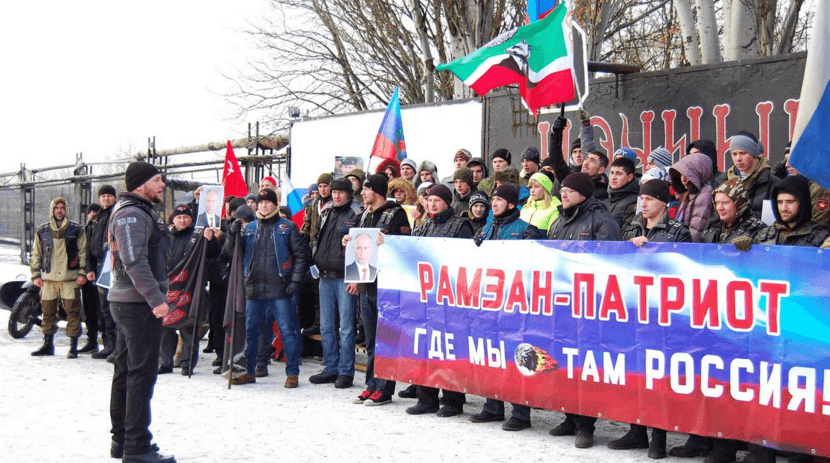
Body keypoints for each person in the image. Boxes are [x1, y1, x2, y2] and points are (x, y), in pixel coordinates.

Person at [734, 174, 829, 463]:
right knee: (763, 393)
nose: (785, 207)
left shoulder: (819, 237)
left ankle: (800, 453)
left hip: (803, 331)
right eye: (780, 202)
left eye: (791, 201)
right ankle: (759, 452)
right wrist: (740, 251)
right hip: (766, 328)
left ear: (803, 204)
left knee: (799, 397)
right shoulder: (764, 235)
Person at [613, 179, 689, 458]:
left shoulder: (677, 232)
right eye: (641, 199)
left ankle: (659, 436)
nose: (642, 204)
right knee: (634, 369)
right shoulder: (631, 228)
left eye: (649, 199)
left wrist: (652, 251)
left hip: (663, 314)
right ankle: (636, 431)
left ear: (663, 203)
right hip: (633, 310)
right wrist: (630, 249)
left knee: (659, 377)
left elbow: (683, 269)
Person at [545, 172, 621, 449]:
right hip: (562, 303)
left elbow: (612, 263)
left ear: (583, 193)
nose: (562, 194)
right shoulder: (557, 221)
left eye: (568, 190)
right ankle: (569, 416)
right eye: (561, 189)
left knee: (585, 365)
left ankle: (586, 425)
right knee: (563, 360)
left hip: (591, 305)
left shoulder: (602, 220)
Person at [107, 161, 176, 463]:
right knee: (141, 374)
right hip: (138, 305)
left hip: (130, 303)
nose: (163, 185)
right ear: (140, 184)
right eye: (158, 180)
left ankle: (122, 441)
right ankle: (137, 447)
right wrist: (156, 299)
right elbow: (134, 261)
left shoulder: (135, 211)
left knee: (126, 371)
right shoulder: (131, 214)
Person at [469, 184, 538, 431]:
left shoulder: (525, 230)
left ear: (511, 204)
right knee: (492, 354)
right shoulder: (487, 227)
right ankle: (493, 406)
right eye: (493, 199)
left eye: (499, 199)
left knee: (516, 354)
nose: (494, 203)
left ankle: (520, 412)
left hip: (515, 304)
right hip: (489, 302)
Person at [226, 188, 310, 386]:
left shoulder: (287, 227)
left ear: (275, 204)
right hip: (254, 287)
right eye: (261, 202)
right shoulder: (249, 228)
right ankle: (250, 370)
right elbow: (232, 253)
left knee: (288, 330)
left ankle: (292, 373)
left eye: (268, 202)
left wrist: (295, 281)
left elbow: (301, 256)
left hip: (280, 288)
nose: (264, 205)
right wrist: (232, 235)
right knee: (251, 331)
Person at [407, 184, 472, 417]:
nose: (432, 204)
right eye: (429, 200)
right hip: (427, 296)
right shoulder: (424, 225)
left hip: (450, 296)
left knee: (449, 349)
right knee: (426, 346)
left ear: (447, 202)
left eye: (437, 200)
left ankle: (453, 401)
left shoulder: (460, 225)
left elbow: (467, 262)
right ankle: (426, 398)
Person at [349, 174, 411, 406]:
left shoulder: (396, 213)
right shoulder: (365, 213)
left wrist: (390, 242)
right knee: (371, 338)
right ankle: (371, 384)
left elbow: (405, 246)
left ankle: (385, 388)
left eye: (365, 190)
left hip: (387, 284)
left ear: (376, 191)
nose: (362, 193)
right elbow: (360, 245)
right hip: (366, 282)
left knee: (386, 338)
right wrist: (349, 243)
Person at [309, 178, 364, 389]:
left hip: (345, 276)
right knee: (326, 326)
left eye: (341, 192)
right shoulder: (327, 211)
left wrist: (356, 278)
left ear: (349, 193)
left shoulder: (357, 213)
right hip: (324, 275)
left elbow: (362, 246)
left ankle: (345, 371)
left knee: (347, 327)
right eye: (334, 192)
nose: (336, 196)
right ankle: (330, 367)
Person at [29, 197, 88, 358]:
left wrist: (82, 272)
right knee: (47, 312)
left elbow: (83, 252)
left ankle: (73, 347)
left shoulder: (76, 229)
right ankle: (48, 344)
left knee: (73, 312)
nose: (59, 210)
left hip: (70, 278)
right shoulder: (43, 230)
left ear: (66, 210)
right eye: (57, 208)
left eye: (62, 207)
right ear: (52, 210)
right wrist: (35, 274)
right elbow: (36, 253)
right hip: (49, 279)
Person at [712, 133, 779, 219]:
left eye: (743, 153)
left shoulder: (772, 183)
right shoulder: (722, 181)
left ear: (754, 154)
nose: (738, 159)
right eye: (734, 154)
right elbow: (714, 218)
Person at [87, 184, 119, 361]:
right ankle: (108, 344)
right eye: (103, 196)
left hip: (113, 265)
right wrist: (90, 268)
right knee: (104, 308)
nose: (106, 199)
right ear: (99, 199)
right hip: (100, 266)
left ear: (114, 197)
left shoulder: (117, 212)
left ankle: (117, 347)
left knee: (113, 307)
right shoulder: (97, 218)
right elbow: (90, 245)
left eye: (109, 196)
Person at [700, 178, 766, 245]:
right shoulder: (711, 227)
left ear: (739, 204)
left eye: (725, 203)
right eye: (717, 203)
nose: (719, 208)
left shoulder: (756, 230)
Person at [669, 152, 713, 242]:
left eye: (689, 176)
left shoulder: (705, 193)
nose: (683, 180)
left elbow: (696, 230)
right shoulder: (688, 194)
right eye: (681, 174)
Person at [78, 203, 102, 354]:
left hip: (100, 273)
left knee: (103, 310)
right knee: (89, 310)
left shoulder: (103, 228)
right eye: (90, 212)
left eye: (96, 212)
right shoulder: (85, 229)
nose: (93, 214)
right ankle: (92, 341)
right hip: (88, 274)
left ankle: (108, 343)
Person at [605, 157, 640, 227]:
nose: (613, 177)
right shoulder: (606, 200)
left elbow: (628, 232)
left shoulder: (635, 201)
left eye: (619, 174)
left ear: (630, 177)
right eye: (611, 173)